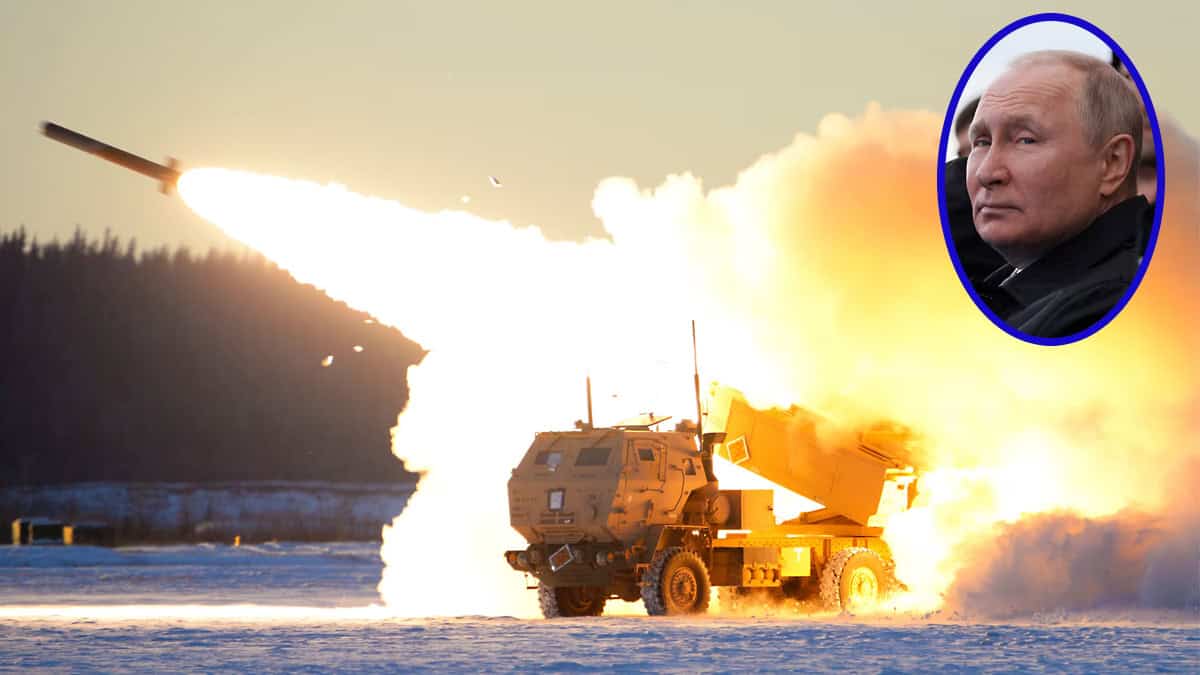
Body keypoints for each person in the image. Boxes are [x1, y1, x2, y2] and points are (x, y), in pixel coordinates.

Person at [963, 50, 1151, 339]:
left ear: (1112, 163)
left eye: (1026, 140)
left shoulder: (1108, 306)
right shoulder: (1012, 289)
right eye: (982, 142)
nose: (986, 173)